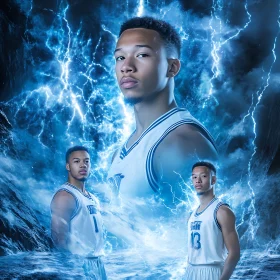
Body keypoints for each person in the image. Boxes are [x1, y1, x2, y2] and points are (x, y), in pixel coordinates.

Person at [108, 16, 218, 206]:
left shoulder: (181, 143)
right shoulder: (119, 152)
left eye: (142, 55)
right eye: (120, 57)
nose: (126, 67)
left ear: (172, 67)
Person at [51, 146, 107, 280]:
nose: (83, 165)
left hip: (97, 263)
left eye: (86, 161)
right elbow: (58, 241)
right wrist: (70, 272)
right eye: (76, 161)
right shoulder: (65, 196)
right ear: (68, 166)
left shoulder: (92, 198)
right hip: (78, 267)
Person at [185, 161, 240, 280]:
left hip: (212, 271)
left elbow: (234, 253)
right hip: (191, 270)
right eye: (194, 177)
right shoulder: (191, 215)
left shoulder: (222, 211)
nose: (198, 180)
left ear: (213, 180)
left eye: (203, 176)